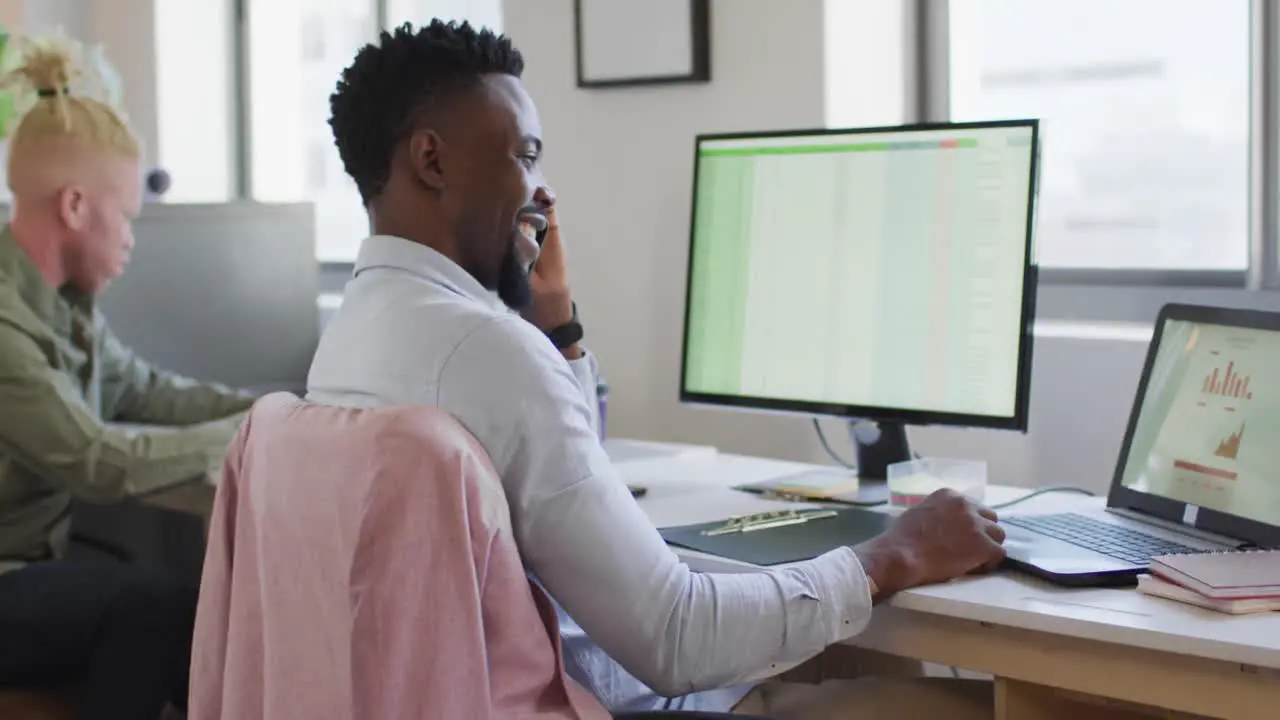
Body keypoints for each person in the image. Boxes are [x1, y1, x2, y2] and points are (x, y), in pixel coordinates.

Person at [310, 20, 1006, 719]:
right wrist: (895, 556)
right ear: (432, 159)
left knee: (850, 648)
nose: (541, 190)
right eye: (525, 156)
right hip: (606, 700)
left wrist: (558, 331)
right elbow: (677, 638)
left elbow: (550, 483)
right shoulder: (486, 350)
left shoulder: (350, 339)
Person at [0, 36, 255, 718]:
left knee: (174, 619)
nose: (132, 240)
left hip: (29, 570)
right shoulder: (3, 327)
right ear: (77, 207)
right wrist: (248, 439)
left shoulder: (61, 305)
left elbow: (144, 391)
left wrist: (277, 408)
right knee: (159, 608)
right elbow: (96, 460)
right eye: (127, 219)